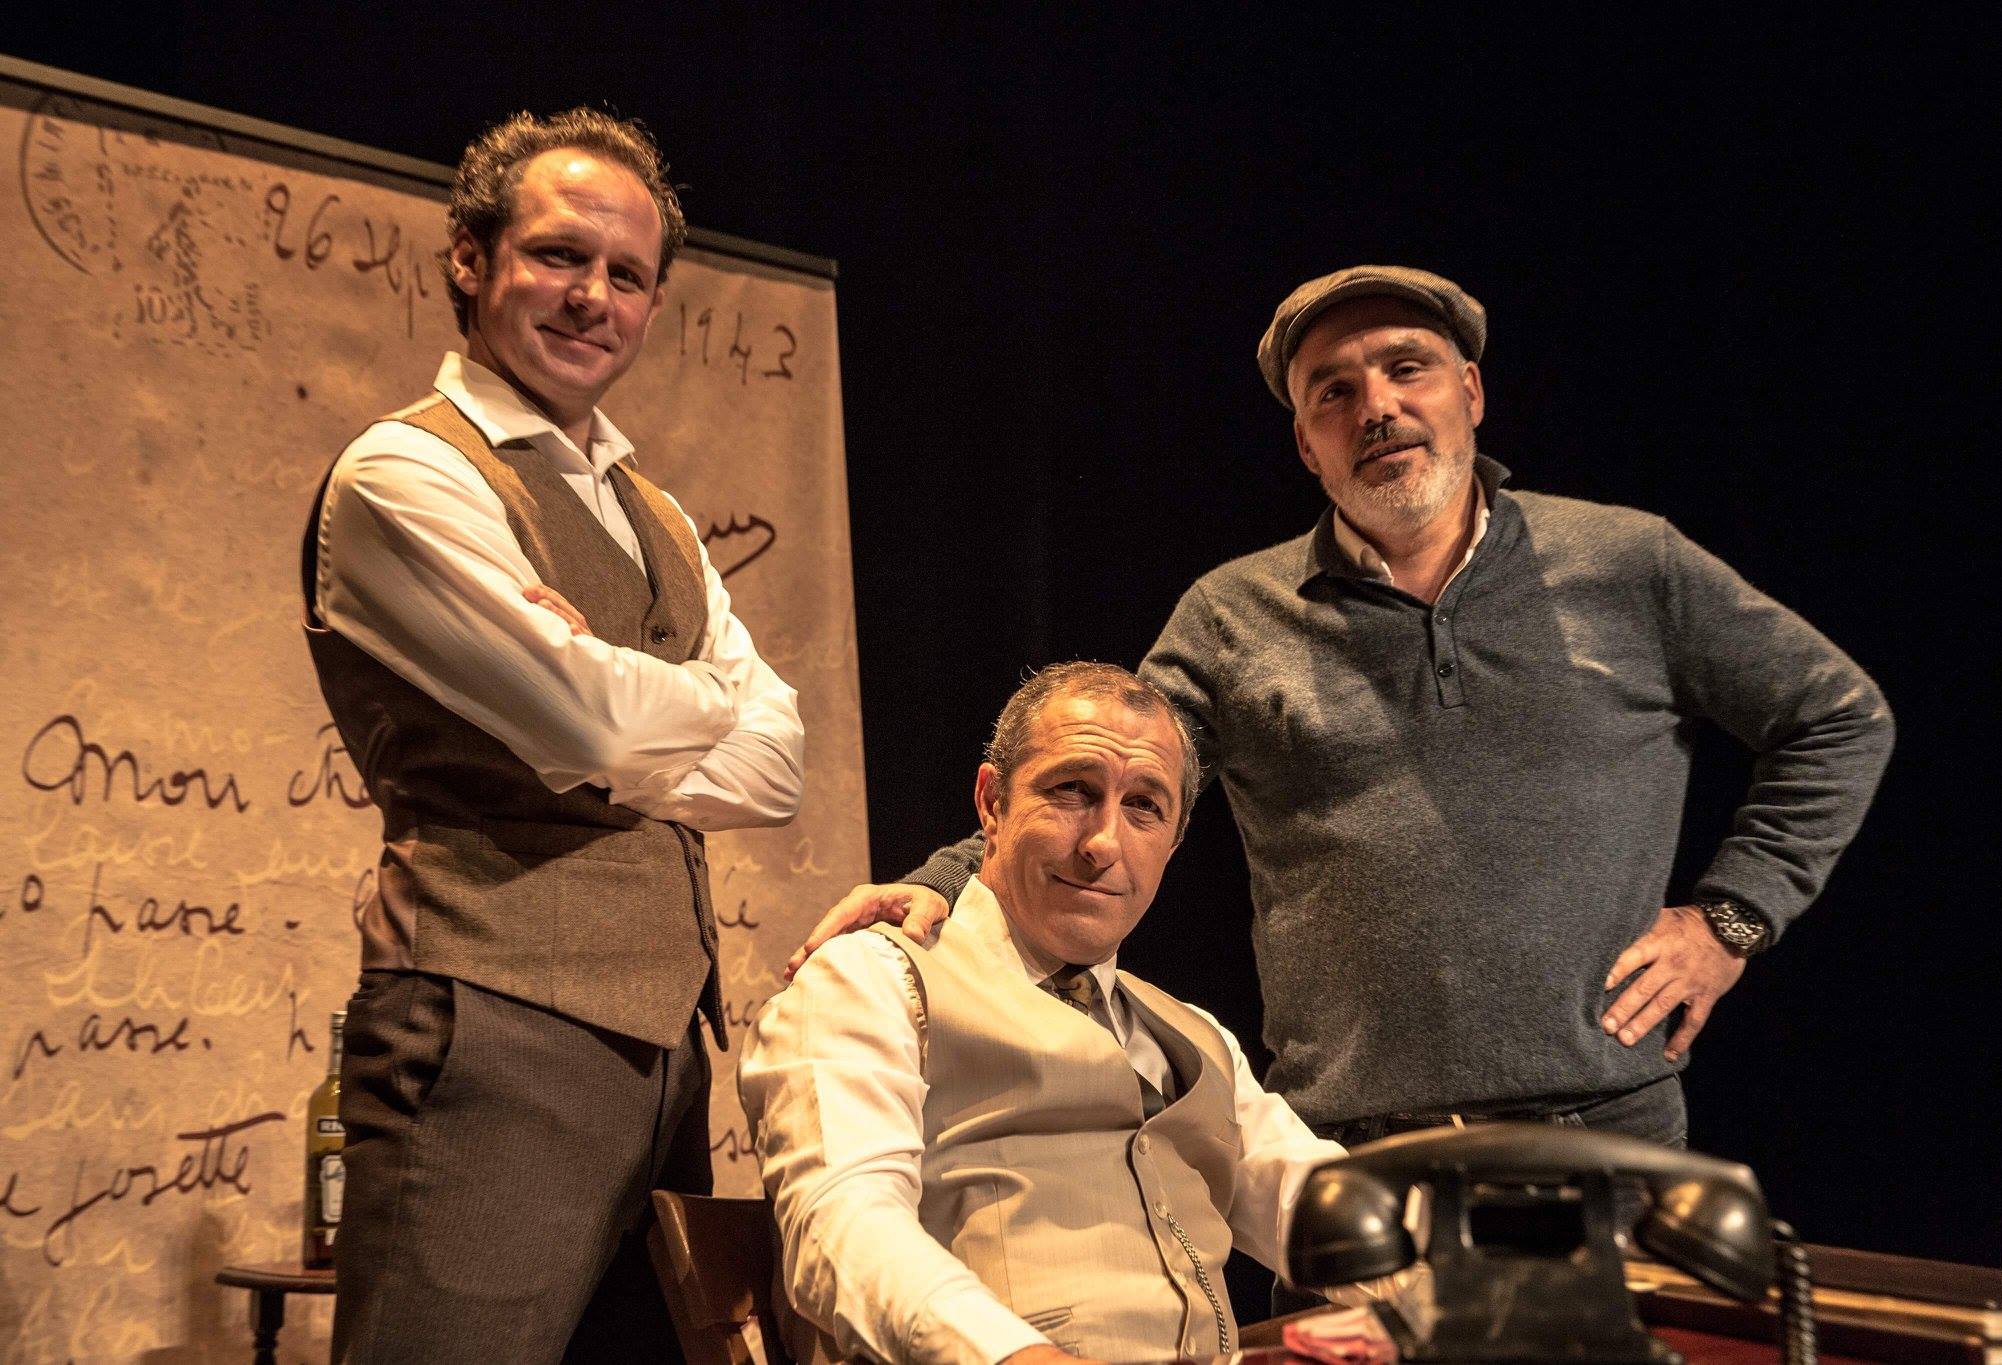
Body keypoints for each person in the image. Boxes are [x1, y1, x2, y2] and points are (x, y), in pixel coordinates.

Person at [793, 264, 1893, 1159]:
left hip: (1611, 1140)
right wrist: (939, 882)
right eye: (1332, 390)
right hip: (1346, 1159)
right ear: (1305, 443)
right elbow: (1101, 776)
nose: (1375, 406)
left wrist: (1731, 918)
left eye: (1404, 369)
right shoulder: (1234, 614)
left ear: (1469, 391)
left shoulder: (1626, 563)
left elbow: (1838, 717)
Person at [300, 109, 803, 1362]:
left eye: (626, 276)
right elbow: (587, 719)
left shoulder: (660, 516)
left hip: (663, 1055)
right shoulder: (404, 474)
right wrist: (655, 702)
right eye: (559, 257)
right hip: (489, 1025)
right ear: (472, 257)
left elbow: (777, 766)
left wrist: (626, 703)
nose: (593, 299)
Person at [742, 662, 1387, 1365]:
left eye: (1144, 806)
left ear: (1173, 841)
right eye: (1072, 791)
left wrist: (1472, 1299)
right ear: (991, 802)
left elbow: (1320, 1203)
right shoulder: (873, 977)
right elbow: (845, 1224)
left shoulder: (1197, 1035)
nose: (1103, 843)